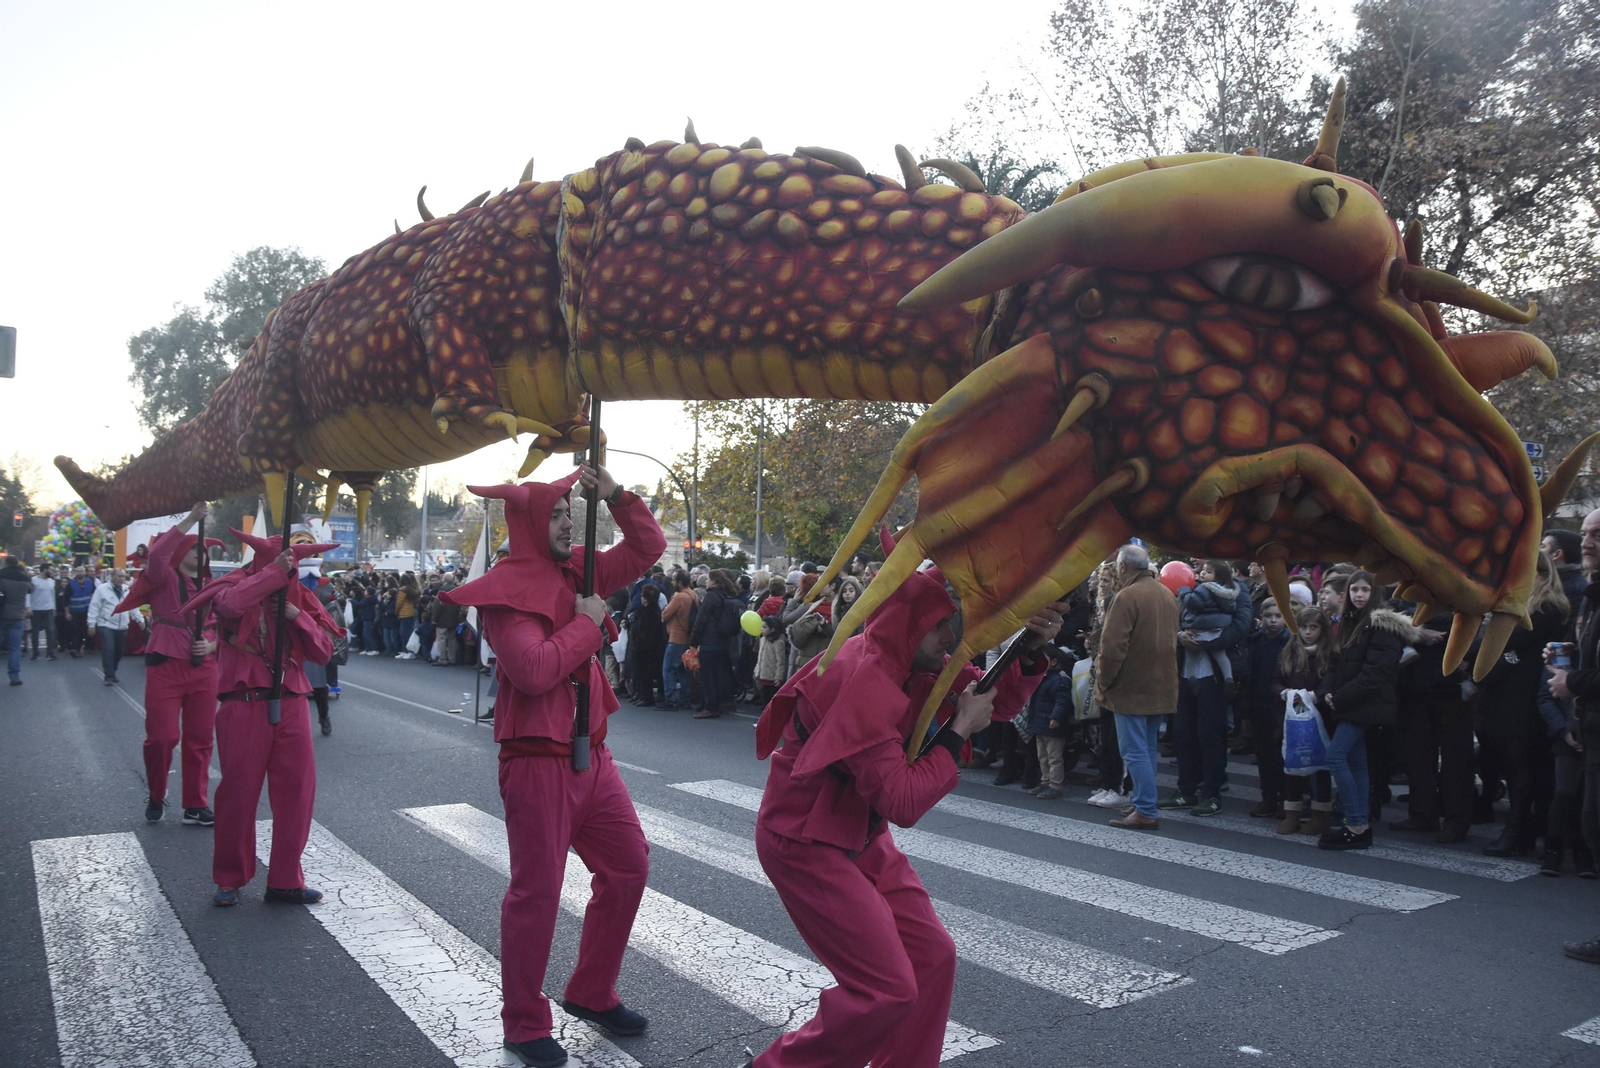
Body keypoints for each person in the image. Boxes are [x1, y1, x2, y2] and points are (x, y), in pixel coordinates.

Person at [750, 530, 1057, 1068]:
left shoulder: (913, 658)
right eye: (940, 624)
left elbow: (994, 698)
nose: (949, 635)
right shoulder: (860, 675)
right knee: (884, 990)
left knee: (933, 958)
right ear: (910, 622)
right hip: (804, 841)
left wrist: (1027, 650)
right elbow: (903, 801)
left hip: (859, 835)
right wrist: (959, 729)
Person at [438, 463, 665, 1068]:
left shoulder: (580, 569)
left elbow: (649, 546)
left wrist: (614, 494)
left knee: (628, 867)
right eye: (560, 513)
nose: (570, 522)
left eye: (572, 511)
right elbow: (533, 671)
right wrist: (589, 625)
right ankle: (523, 1022)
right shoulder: (504, 589)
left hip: (594, 754)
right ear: (534, 521)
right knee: (537, 894)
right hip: (538, 762)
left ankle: (591, 991)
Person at [182, 528, 339, 908]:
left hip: (291, 701)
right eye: (285, 565)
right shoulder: (236, 583)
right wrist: (272, 575)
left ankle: (285, 880)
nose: (289, 573)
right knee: (238, 794)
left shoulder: (296, 595)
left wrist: (296, 615)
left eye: (291, 567)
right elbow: (229, 607)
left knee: (297, 794)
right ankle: (229, 879)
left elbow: (323, 652)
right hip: (243, 703)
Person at [117, 502, 223, 825]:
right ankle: (157, 794)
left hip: (204, 667)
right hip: (166, 663)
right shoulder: (162, 577)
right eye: (194, 547)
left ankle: (195, 804)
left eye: (205, 550)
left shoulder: (215, 585)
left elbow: (227, 626)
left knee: (201, 738)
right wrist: (192, 519)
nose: (201, 553)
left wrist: (213, 644)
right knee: (162, 737)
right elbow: (158, 555)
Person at [1475, 550, 1569, 857]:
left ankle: (1517, 830)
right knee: (1513, 763)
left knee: (1520, 765)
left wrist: (1503, 653)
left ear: (1540, 575)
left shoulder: (1547, 608)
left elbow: (1510, 644)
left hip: (1524, 699)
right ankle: (1522, 830)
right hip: (1509, 695)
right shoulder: (1526, 607)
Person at [1315, 569, 1414, 850]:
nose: (1359, 595)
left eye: (1365, 590)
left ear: (1375, 593)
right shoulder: (1350, 621)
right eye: (1354, 590)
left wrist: (1340, 698)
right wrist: (1327, 693)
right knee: (1356, 764)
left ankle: (1356, 824)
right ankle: (1358, 826)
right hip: (1349, 702)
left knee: (1336, 757)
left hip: (1364, 705)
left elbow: (1376, 674)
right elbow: (1334, 664)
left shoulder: (1382, 624)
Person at [1096, 544, 1180, 829]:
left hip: (1131, 687)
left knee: (1134, 750)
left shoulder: (1126, 596)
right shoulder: (1167, 594)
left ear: (1122, 568)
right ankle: (1144, 800)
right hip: (1161, 685)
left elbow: (1112, 648)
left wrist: (1103, 682)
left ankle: (1145, 808)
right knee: (1147, 748)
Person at [1161, 560, 1252, 818]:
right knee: (1182, 733)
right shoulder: (1190, 587)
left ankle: (1211, 794)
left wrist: (1208, 644)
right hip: (1184, 671)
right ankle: (1186, 789)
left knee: (1210, 734)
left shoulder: (1236, 588)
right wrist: (1179, 636)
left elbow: (1242, 623)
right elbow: (1174, 617)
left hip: (1213, 674)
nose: (1199, 564)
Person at [1550, 506, 1600, 961]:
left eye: (1597, 536)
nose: (1587, 543)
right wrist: (1570, 651)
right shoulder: (1592, 595)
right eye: (1585, 534)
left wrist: (1573, 683)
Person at [1270, 605, 1337, 835]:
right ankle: (1293, 813)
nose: (1308, 632)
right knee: (1292, 764)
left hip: (1320, 716)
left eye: (1313, 627)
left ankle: (1321, 814)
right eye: (1304, 627)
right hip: (1291, 716)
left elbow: (1330, 681)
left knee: (1320, 765)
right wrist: (1286, 693)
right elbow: (1277, 679)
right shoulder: (1290, 651)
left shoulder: (1328, 654)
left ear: (1322, 629)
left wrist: (1312, 696)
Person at [1239, 597, 1292, 818]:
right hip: (1258, 703)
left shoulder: (1289, 643)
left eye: (1278, 616)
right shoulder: (1255, 641)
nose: (1273, 621)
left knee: (1281, 755)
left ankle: (1286, 799)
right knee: (1263, 754)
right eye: (1268, 616)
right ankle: (1268, 797)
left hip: (1280, 705)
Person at [690, 569, 743, 719]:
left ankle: (710, 707)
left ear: (713, 581)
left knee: (707, 676)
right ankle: (722, 703)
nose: (706, 582)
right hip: (724, 640)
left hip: (709, 641)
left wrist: (693, 640)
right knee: (720, 674)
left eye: (708, 579)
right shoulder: (727, 594)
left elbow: (701, 620)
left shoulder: (711, 596)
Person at [1028, 646, 1073, 799]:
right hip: (1040, 724)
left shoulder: (1060, 679)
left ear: (1054, 662)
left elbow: (1063, 701)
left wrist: (1056, 717)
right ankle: (1045, 781)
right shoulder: (1043, 676)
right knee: (1043, 756)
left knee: (1054, 758)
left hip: (1052, 725)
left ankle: (1055, 785)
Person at [87, 568, 134, 684]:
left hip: (122, 626)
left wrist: (139, 619)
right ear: (112, 577)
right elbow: (94, 606)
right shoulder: (102, 589)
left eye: (123, 577)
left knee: (120, 650)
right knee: (109, 649)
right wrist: (91, 624)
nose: (121, 579)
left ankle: (113, 670)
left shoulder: (127, 590)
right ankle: (108, 676)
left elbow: (133, 605)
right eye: (119, 576)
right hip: (106, 624)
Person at [660, 572, 697, 709]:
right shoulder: (693, 595)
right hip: (687, 637)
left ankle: (670, 699)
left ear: (680, 582)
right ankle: (685, 699)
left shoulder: (679, 597)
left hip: (676, 637)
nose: (672, 583)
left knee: (668, 668)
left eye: (674, 581)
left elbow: (665, 615)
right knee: (683, 670)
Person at [0, 556, 30, 685]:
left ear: (5, 563)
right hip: (18, 616)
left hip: (1, 615)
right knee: (15, 647)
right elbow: (31, 589)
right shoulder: (25, 578)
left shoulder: (1, 575)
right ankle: (14, 676)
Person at [28, 563, 57, 660]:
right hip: (36, 609)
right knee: (35, 632)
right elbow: (28, 594)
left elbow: (52, 596)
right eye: (50, 570)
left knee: (50, 630)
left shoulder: (51, 581)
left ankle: (50, 653)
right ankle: (35, 653)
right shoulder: (33, 580)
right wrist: (28, 607)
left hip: (48, 609)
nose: (51, 572)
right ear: (44, 570)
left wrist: (54, 608)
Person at [67, 566, 95, 657]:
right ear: (75, 572)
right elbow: (65, 600)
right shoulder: (71, 584)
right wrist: (67, 613)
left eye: (81, 571)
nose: (80, 573)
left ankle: (88, 647)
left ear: (85, 572)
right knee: (75, 631)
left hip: (87, 611)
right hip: (74, 611)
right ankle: (75, 649)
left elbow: (95, 596)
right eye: (78, 571)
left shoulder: (90, 582)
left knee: (87, 629)